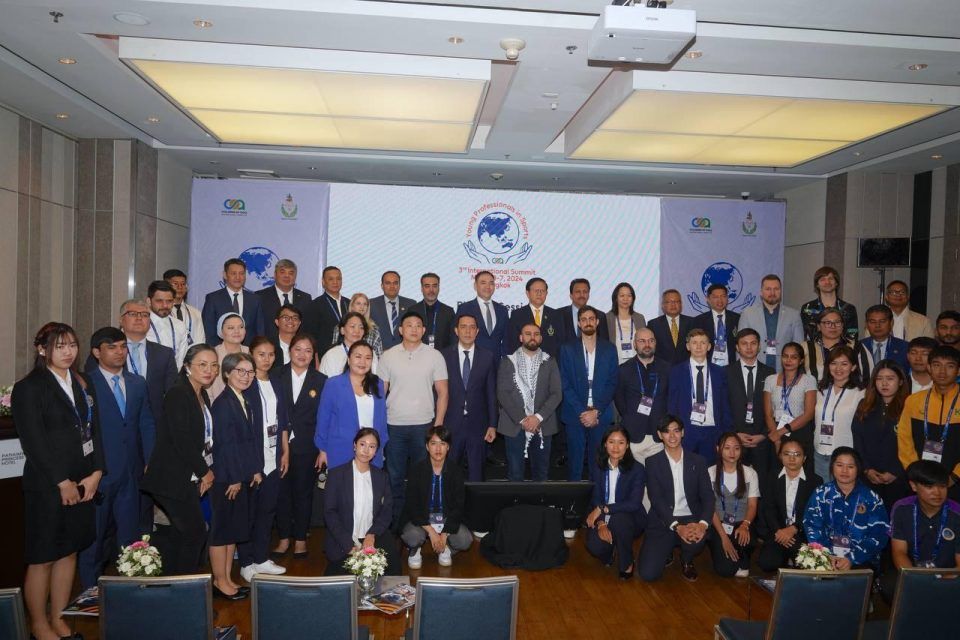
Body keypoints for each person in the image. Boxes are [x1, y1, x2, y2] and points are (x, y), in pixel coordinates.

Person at [13, 323, 104, 640]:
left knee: (69, 552)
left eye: (72, 345)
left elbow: (95, 431)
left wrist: (96, 472)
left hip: (84, 481)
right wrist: (61, 482)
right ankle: (39, 624)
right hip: (48, 486)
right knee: (44, 557)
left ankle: (59, 616)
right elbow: (33, 442)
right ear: (42, 350)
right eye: (60, 346)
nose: (68, 352)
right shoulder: (29, 388)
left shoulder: (83, 382)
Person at [78, 327, 155, 589]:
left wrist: (150, 459)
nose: (120, 352)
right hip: (99, 474)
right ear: (96, 352)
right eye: (112, 347)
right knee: (95, 539)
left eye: (123, 346)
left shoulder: (137, 383)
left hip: (131, 473)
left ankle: (130, 590)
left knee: (130, 535)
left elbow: (146, 422)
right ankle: (90, 594)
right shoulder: (85, 384)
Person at [140, 344, 219, 576]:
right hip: (170, 477)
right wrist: (204, 472)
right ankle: (186, 589)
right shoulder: (178, 393)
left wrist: (202, 471)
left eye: (214, 365)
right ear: (187, 366)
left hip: (188, 475)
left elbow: (202, 438)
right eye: (202, 365)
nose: (209, 370)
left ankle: (172, 584)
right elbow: (181, 439)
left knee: (182, 533)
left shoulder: (201, 393)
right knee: (195, 532)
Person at [379, 310, 449, 525]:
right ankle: (396, 524)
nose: (414, 329)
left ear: (424, 330)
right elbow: (381, 394)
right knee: (395, 478)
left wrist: (437, 426)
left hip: (424, 426)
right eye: (409, 325)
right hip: (394, 426)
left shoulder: (435, 356)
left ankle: (421, 523)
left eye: (418, 325)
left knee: (423, 478)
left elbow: (443, 393)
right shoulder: (388, 356)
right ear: (400, 330)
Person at [208, 353, 262, 601]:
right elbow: (225, 445)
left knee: (232, 532)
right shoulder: (223, 404)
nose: (246, 376)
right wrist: (234, 478)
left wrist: (254, 470)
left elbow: (247, 441)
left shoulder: (242, 399)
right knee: (221, 532)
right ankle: (219, 581)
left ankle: (227, 579)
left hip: (239, 475)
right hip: (226, 479)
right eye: (240, 371)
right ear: (227, 373)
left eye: (250, 372)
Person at [639, 416, 715, 583]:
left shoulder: (698, 461)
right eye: (666, 432)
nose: (672, 436)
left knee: (696, 540)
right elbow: (656, 500)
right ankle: (667, 550)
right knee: (648, 574)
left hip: (691, 519)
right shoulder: (652, 462)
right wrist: (676, 526)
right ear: (660, 435)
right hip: (663, 519)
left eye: (676, 431)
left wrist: (702, 524)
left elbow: (708, 497)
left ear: (683, 433)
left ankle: (687, 560)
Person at [272, 333, 326, 559]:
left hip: (307, 445)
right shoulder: (275, 375)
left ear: (313, 355)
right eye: (298, 349)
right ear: (290, 351)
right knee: (281, 493)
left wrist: (323, 448)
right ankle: (284, 537)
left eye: (308, 351)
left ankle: (301, 538)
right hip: (277, 445)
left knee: (303, 493)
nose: (302, 354)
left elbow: (324, 417)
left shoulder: (321, 380)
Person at [239, 337, 288, 582]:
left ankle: (261, 557)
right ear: (251, 354)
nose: (266, 359)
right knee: (249, 512)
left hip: (274, 455)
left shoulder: (277, 382)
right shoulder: (246, 384)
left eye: (270, 354)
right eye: (261, 354)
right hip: (253, 457)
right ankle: (246, 562)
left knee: (267, 510)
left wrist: (285, 451)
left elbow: (283, 419)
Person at [322, 429, 401, 576]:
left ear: (376, 451)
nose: (366, 450)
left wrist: (372, 534)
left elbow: (387, 510)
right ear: (354, 445)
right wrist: (348, 544)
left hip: (373, 536)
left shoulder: (381, 477)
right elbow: (330, 512)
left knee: (393, 575)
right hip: (344, 538)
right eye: (362, 444)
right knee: (338, 584)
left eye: (372, 446)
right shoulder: (336, 475)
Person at [497, 322, 563, 482]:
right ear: (521, 337)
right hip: (514, 425)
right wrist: (523, 419)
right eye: (528, 334)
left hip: (543, 424)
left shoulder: (550, 361)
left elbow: (556, 394)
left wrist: (537, 418)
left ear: (540, 338)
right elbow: (502, 394)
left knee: (541, 475)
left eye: (536, 334)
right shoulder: (508, 361)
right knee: (515, 475)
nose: (532, 337)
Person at [804, 447, 889, 570]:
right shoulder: (821, 493)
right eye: (839, 465)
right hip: (825, 555)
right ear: (832, 467)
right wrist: (827, 555)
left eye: (850, 466)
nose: (844, 471)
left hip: (862, 559)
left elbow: (879, 534)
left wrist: (851, 558)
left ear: (858, 469)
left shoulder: (871, 498)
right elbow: (812, 526)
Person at [561, 305, 620, 482]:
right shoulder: (567, 348)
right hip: (575, 414)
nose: (588, 322)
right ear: (579, 323)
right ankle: (573, 499)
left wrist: (596, 411)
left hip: (601, 414)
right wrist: (583, 411)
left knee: (599, 463)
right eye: (584, 319)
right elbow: (564, 382)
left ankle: (598, 498)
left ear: (597, 322)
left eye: (591, 319)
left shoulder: (609, 349)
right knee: (575, 464)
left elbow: (612, 383)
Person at [402, 426, 472, 569]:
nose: (438, 448)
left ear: (448, 447)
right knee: (412, 537)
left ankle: (446, 548)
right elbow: (412, 506)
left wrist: (444, 534)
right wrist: (432, 532)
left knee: (465, 540)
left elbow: (458, 506)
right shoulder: (416, 470)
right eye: (433, 443)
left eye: (443, 443)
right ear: (427, 447)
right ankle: (415, 549)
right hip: (423, 519)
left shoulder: (456, 471)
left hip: (445, 518)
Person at [898, 345, 960, 501]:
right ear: (929, 368)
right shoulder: (914, 401)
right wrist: (916, 474)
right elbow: (904, 440)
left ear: (958, 371)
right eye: (937, 365)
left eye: (950, 366)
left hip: (955, 481)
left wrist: (954, 476)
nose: (942, 371)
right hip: (920, 482)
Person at [315, 341, 389, 471]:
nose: (363, 362)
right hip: (340, 449)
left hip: (371, 451)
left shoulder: (378, 384)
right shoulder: (333, 384)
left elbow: (382, 419)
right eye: (358, 356)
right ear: (349, 360)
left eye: (368, 358)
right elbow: (323, 420)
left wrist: (381, 445)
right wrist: (322, 450)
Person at [585, 426, 647, 579]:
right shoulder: (597, 467)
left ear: (627, 445)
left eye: (621, 442)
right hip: (603, 516)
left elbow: (633, 503)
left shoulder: (637, 469)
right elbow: (595, 498)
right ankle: (610, 552)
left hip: (629, 517)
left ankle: (627, 563)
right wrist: (601, 523)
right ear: (605, 444)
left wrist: (603, 508)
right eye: (611, 442)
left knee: (620, 520)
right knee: (594, 546)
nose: (616, 447)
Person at [441, 314, 497, 481]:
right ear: (456, 330)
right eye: (463, 327)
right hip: (450, 423)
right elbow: (438, 392)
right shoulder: (443, 356)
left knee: (477, 475)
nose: (468, 331)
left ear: (477, 331)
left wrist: (493, 424)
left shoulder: (487, 356)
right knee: (449, 473)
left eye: (472, 327)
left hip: (478, 425)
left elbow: (491, 393)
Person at [852, 361, 910, 511]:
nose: (884, 383)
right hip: (868, 476)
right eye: (879, 378)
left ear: (901, 381)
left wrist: (896, 472)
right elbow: (858, 440)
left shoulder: (910, 406)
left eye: (890, 378)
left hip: (898, 478)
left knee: (894, 518)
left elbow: (914, 444)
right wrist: (866, 469)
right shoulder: (864, 405)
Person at [757, 440, 823, 572]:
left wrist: (794, 528)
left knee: (808, 565)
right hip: (778, 531)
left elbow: (813, 513)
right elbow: (768, 508)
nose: (792, 459)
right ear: (780, 456)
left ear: (804, 458)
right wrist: (779, 531)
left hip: (802, 532)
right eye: (787, 454)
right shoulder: (772, 476)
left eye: (797, 454)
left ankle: (791, 557)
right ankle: (786, 557)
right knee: (767, 563)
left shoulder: (815, 481)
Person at [667, 328, 733, 459]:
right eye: (694, 342)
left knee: (711, 469)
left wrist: (726, 433)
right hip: (687, 431)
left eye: (703, 343)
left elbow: (725, 404)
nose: (698, 347)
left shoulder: (720, 372)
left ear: (709, 346)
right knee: (687, 468)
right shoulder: (676, 371)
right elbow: (672, 404)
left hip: (713, 431)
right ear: (688, 346)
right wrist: (674, 430)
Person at [888, 461, 960, 574]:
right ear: (913, 486)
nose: (937, 493)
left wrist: (940, 580)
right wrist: (914, 578)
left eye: (942, 486)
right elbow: (899, 552)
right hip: (911, 572)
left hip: (949, 576)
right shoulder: (902, 508)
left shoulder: (956, 513)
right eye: (929, 487)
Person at [117, 298, 178, 427]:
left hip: (155, 424)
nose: (139, 318)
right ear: (121, 320)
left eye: (145, 315)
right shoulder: (107, 351)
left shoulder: (164, 354)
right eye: (133, 314)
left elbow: (172, 394)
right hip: (118, 422)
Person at [707, 432, 760, 578]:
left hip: (742, 523)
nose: (732, 453)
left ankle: (741, 555)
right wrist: (723, 537)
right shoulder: (710, 472)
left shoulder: (750, 473)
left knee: (749, 541)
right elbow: (710, 508)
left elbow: (752, 505)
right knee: (725, 570)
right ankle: (725, 551)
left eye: (736, 448)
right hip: (719, 524)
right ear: (718, 449)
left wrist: (745, 525)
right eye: (727, 448)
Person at [614, 327, 670, 465]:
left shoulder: (667, 368)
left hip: (659, 435)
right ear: (635, 344)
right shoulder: (623, 370)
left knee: (657, 477)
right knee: (634, 476)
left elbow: (670, 399)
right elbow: (619, 400)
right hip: (633, 435)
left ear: (655, 343)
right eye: (642, 341)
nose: (647, 344)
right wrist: (630, 418)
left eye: (651, 340)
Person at [764, 342, 818, 475]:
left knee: (801, 474)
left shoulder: (809, 380)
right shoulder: (770, 379)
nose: (788, 360)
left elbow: (809, 414)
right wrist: (777, 438)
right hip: (774, 430)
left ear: (801, 361)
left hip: (800, 430)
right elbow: (768, 413)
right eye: (785, 356)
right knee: (776, 474)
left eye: (794, 357)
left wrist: (782, 431)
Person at [813, 345, 866, 479]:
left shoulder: (860, 393)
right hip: (819, 453)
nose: (838, 368)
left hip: (845, 456)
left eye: (844, 364)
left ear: (853, 367)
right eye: (834, 363)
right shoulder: (821, 389)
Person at [728, 329, 774, 479]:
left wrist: (764, 435)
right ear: (737, 347)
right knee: (736, 482)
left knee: (763, 483)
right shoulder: (726, 372)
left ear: (759, 346)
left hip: (761, 439)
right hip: (735, 439)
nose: (749, 347)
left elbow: (775, 407)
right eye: (744, 343)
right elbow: (723, 408)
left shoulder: (770, 373)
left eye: (753, 343)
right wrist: (734, 434)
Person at [738, 274, 805, 370]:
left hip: (784, 371)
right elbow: (741, 345)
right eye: (768, 289)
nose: (772, 293)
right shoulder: (747, 314)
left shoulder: (794, 315)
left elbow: (799, 348)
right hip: (754, 370)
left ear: (781, 291)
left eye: (776, 289)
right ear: (761, 292)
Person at [201, 257, 265, 346]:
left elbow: (260, 330)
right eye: (233, 273)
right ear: (225, 275)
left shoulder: (255, 299)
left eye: (241, 273)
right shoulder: (213, 299)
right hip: (221, 350)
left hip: (248, 350)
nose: (238, 277)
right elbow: (208, 330)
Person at [802, 307, 871, 384]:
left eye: (837, 322)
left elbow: (868, 377)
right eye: (827, 323)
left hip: (849, 390)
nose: (833, 326)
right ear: (819, 326)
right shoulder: (805, 347)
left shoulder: (856, 347)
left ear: (842, 325)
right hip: (814, 391)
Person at [456, 270, 510, 359]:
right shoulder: (465, 308)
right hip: (472, 360)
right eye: (483, 283)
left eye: (491, 283)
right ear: (475, 286)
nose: (488, 286)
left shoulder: (502, 310)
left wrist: (505, 361)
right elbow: (457, 337)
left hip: (497, 362)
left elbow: (506, 339)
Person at [256, 258, 312, 342]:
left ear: (295, 277)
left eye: (291, 273)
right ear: (275, 275)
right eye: (282, 272)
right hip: (268, 345)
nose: (287, 276)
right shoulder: (260, 297)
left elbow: (308, 326)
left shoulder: (305, 298)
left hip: (297, 346)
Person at [800, 266, 859, 342]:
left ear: (836, 283)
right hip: (815, 348)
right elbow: (805, 334)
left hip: (843, 348)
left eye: (830, 279)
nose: (827, 282)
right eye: (823, 279)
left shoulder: (849, 308)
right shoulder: (808, 308)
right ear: (817, 284)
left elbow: (853, 335)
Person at [509, 277, 565, 357]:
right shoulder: (517, 315)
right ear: (528, 293)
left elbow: (561, 342)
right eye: (536, 291)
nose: (539, 294)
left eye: (542, 291)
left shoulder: (556, 315)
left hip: (550, 361)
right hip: (524, 361)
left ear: (546, 293)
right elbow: (512, 342)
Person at [303, 265, 350, 354]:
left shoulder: (349, 303)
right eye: (331, 279)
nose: (335, 282)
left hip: (349, 353)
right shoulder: (314, 305)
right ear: (323, 282)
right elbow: (310, 336)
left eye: (338, 279)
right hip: (325, 354)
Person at [318, 312, 379, 377]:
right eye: (352, 326)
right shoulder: (331, 355)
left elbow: (375, 377)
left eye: (361, 327)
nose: (357, 331)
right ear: (342, 330)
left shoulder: (370, 353)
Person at [693, 284, 740, 367]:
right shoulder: (698, 321)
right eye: (715, 297)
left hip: (731, 366)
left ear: (727, 299)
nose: (720, 300)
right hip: (707, 366)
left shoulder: (737, 318)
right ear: (708, 299)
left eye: (723, 296)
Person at [146, 280, 189, 368]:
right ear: (149, 301)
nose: (165, 305)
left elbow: (181, 358)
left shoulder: (180, 326)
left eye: (169, 301)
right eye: (159, 301)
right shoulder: (139, 325)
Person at [369, 270, 416, 352]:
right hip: (379, 354)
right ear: (382, 286)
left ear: (399, 285)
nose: (392, 286)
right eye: (388, 283)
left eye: (395, 283)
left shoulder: (411, 304)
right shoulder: (371, 304)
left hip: (405, 353)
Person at [409, 272, 456, 351]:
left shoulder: (448, 312)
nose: (431, 290)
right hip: (417, 356)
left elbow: (453, 340)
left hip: (442, 356)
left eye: (434, 286)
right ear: (422, 289)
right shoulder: (413, 310)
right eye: (427, 286)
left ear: (438, 288)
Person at [209, 312, 249, 400]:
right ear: (221, 331)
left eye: (241, 327)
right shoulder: (212, 354)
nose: (237, 331)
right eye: (231, 328)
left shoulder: (250, 353)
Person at [647, 289, 693, 365]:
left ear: (681, 304)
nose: (673, 305)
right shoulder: (653, 324)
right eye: (669, 302)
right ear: (662, 305)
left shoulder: (692, 322)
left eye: (676, 301)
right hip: (661, 368)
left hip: (686, 367)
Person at [557, 278, 609, 343]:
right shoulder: (558, 314)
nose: (582, 295)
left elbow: (605, 343)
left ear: (589, 295)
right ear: (571, 295)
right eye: (578, 292)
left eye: (585, 292)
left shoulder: (600, 315)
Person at [606, 282, 646, 365]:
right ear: (616, 298)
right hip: (614, 364)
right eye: (622, 296)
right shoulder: (607, 318)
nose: (626, 299)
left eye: (629, 295)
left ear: (633, 298)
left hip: (636, 364)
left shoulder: (639, 318)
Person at [861, 304, 910, 373]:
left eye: (882, 321)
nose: (877, 325)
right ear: (866, 324)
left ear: (891, 323)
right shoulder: (859, 347)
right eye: (872, 322)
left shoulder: (905, 347)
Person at [163, 268, 206, 346]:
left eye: (183, 284)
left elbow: (200, 341)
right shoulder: (161, 312)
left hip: (191, 352)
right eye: (175, 284)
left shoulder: (195, 313)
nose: (180, 287)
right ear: (166, 286)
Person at [270, 303, 302, 371]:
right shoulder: (269, 345)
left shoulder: (306, 346)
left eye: (295, 318)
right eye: (286, 317)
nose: (290, 321)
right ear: (277, 322)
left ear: (299, 323)